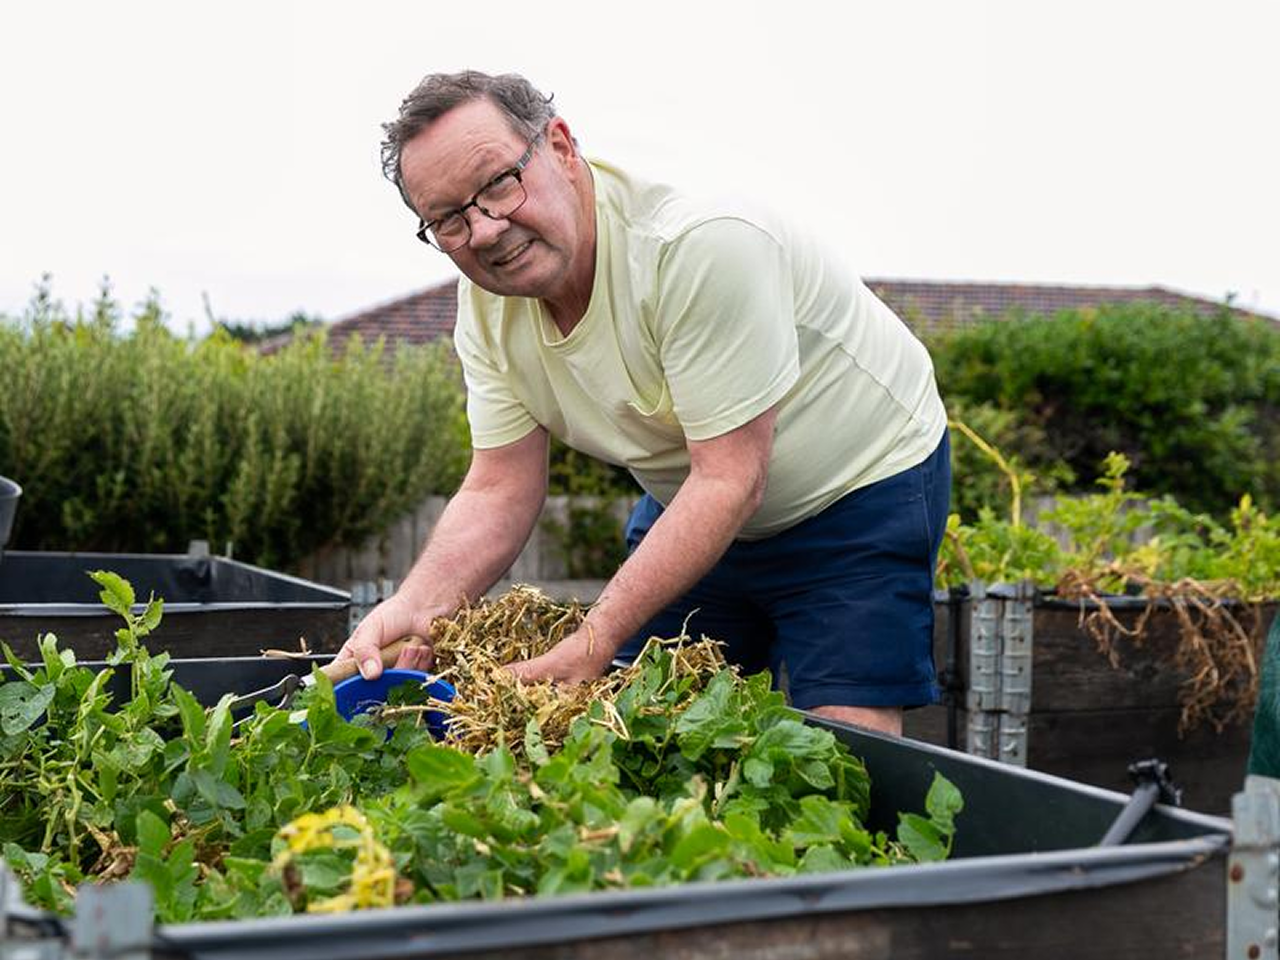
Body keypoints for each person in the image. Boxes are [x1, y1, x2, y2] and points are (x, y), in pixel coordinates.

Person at [336, 69, 950, 736]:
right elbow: (499, 487)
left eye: (499, 184)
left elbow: (730, 478)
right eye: (449, 220)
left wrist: (596, 635)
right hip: (696, 498)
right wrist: (420, 602)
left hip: (855, 488)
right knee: (646, 730)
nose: (484, 231)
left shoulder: (697, 244)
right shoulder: (487, 307)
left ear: (560, 147)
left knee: (844, 747)